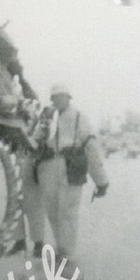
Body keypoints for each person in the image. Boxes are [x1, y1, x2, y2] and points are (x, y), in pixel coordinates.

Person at [24, 82, 110, 260]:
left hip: (70, 168)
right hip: (47, 168)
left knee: (68, 212)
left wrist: (101, 180)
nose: (58, 100)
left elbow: (91, 148)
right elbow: (33, 143)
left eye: (61, 96)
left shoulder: (79, 118)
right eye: (55, 97)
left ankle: (66, 252)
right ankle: (61, 248)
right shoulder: (44, 118)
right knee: (53, 211)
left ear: (68, 98)